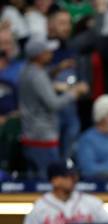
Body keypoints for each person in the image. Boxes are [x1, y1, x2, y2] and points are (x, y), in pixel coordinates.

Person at [18, 37, 88, 178]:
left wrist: (58, 68)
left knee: (34, 182)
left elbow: (43, 76)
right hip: (42, 138)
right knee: (49, 181)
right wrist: (75, 92)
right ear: (39, 55)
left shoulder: (27, 69)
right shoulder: (37, 76)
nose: (51, 54)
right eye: (47, 51)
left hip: (30, 134)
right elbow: (54, 104)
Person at [48, 7, 82, 161]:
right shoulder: (42, 48)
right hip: (49, 112)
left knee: (68, 153)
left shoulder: (72, 47)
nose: (67, 27)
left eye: (68, 23)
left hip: (70, 108)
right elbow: (33, 77)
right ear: (50, 24)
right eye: (62, 23)